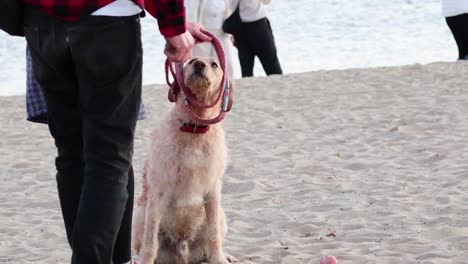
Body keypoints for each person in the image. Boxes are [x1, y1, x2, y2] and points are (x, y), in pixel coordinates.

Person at [18, 0, 211, 263]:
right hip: (107, 23)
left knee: (72, 153)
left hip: (42, 23)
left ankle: (120, 259)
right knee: (108, 157)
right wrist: (173, 26)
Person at [25, 47, 146, 264]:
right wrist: (174, 29)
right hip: (109, 32)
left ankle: (87, 259)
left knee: (72, 153)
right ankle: (120, 260)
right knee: (114, 152)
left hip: (46, 32)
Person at [229, 0, 282, 77]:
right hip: (257, 25)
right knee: (272, 67)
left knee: (247, 71)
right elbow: (267, 1)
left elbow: (228, 7)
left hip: (241, 27)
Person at [185, 0, 236, 78]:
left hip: (221, 35)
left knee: (227, 65)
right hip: (202, 36)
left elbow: (229, 13)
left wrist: (232, 32)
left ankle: (226, 88)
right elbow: (190, 16)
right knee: (200, 67)